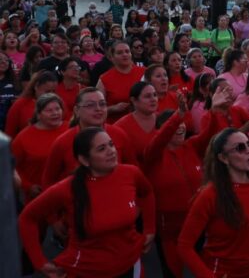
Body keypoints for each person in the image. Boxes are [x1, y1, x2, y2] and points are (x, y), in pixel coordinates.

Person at [19, 127, 155, 277]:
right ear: (84, 160)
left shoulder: (131, 173)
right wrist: (40, 262)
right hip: (87, 270)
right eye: (102, 149)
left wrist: (149, 228)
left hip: (131, 265)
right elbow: (27, 218)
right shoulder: (66, 188)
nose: (111, 151)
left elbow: (147, 193)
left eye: (111, 144)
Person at [144, 90, 229, 277]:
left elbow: (212, 135)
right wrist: (177, 116)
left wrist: (214, 111)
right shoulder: (154, 154)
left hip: (197, 220)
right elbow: (159, 140)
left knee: (203, 267)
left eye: (183, 123)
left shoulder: (190, 146)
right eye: (175, 125)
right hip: (170, 227)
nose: (181, 127)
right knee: (174, 271)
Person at [178, 127, 249, 277]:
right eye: (240, 148)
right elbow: (184, 246)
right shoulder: (210, 195)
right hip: (224, 272)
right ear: (223, 158)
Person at [42, 88, 137, 188]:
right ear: (77, 111)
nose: (98, 109)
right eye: (90, 105)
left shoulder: (119, 134)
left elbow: (133, 172)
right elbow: (48, 181)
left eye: (102, 104)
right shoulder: (63, 142)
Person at [11, 93, 69, 201]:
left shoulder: (71, 130)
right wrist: (28, 186)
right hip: (37, 196)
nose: (55, 113)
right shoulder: (23, 137)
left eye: (57, 109)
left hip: (67, 193)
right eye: (49, 110)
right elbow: (12, 167)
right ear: (38, 114)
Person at [96, 40, 146, 123]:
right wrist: (113, 108)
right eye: (119, 53)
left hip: (143, 122)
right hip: (116, 124)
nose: (124, 55)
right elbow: (96, 108)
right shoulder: (104, 79)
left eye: (127, 51)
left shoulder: (145, 72)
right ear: (111, 57)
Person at [4, 70, 58, 138]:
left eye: (54, 91)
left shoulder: (58, 105)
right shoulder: (20, 105)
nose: (51, 95)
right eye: (47, 91)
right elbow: (9, 133)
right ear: (36, 87)